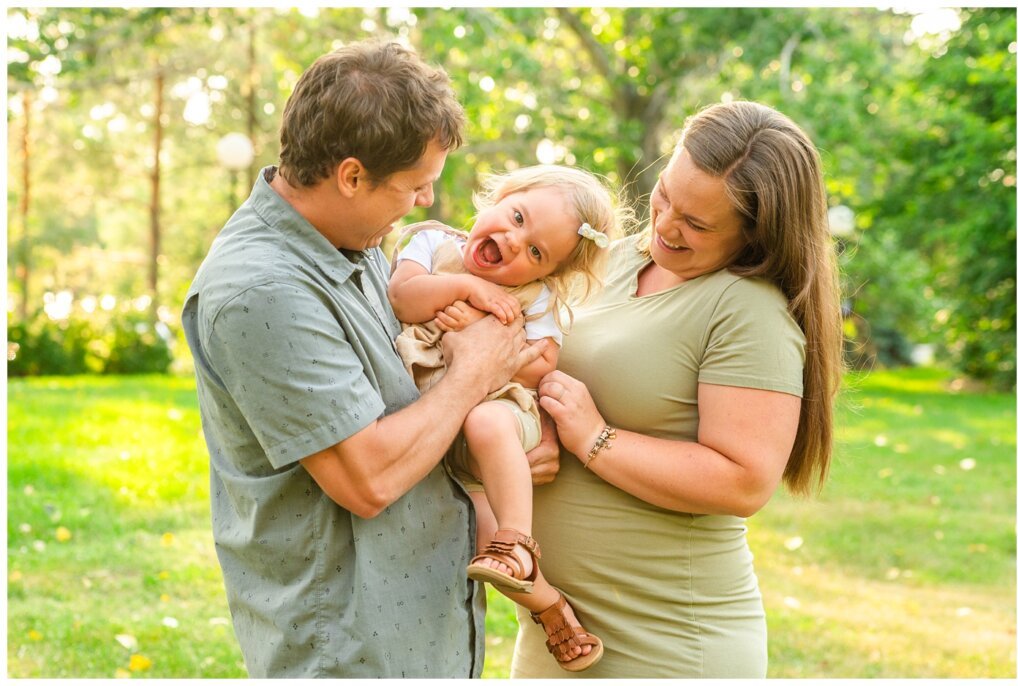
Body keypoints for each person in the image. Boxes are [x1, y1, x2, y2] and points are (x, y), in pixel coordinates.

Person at [181, 41, 555, 678]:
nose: (425, 204)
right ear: (351, 176)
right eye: (415, 186)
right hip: (348, 647)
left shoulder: (351, 246)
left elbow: (402, 407)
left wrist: (499, 446)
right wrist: (475, 374)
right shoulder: (263, 290)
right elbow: (367, 479)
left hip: (417, 631)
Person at [509, 100, 844, 678]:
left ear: (755, 232)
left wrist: (593, 438)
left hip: (669, 642)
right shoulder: (609, 262)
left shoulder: (746, 310)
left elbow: (743, 480)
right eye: (665, 197)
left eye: (698, 223)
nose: (665, 226)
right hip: (558, 633)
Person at [388, 164, 622, 671]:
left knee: (487, 427)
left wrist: (490, 350)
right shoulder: (430, 245)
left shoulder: (537, 298)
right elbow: (403, 296)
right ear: (501, 197)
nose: (514, 242)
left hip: (491, 417)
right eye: (516, 217)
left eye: (536, 252)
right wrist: (468, 294)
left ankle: (517, 542)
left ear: (546, 274)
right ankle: (548, 603)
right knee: (469, 540)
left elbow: (541, 363)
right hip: (430, 424)